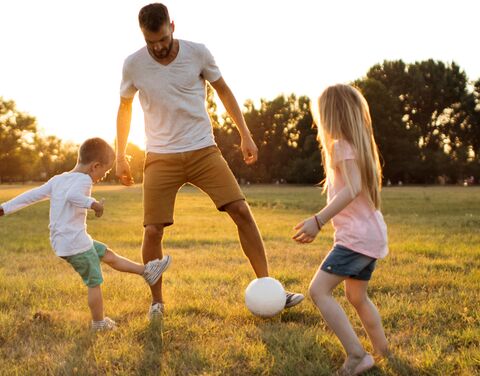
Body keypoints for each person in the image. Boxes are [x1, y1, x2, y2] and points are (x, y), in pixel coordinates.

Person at [115, 3, 303, 318]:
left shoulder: (198, 53)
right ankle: (157, 302)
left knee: (242, 211)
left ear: (172, 25)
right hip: (160, 155)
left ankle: (270, 288)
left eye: (162, 39)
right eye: (152, 43)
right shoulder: (133, 64)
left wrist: (245, 133)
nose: (159, 48)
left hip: (203, 149)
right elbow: (124, 107)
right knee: (152, 231)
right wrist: (120, 154)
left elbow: (224, 91)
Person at [0, 138, 172, 331]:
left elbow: (32, 195)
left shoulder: (59, 179)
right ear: (94, 166)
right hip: (75, 243)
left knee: (106, 254)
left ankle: (147, 271)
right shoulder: (84, 180)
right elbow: (73, 196)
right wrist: (94, 204)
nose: (103, 176)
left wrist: (4, 208)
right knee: (94, 281)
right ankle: (99, 323)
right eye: (105, 171)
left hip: (66, 241)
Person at [292, 84, 389, 375]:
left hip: (356, 239)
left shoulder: (341, 146)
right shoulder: (357, 146)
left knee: (318, 291)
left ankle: (358, 356)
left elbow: (352, 190)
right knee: (357, 297)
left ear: (330, 116)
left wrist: (318, 220)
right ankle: (384, 351)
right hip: (370, 236)